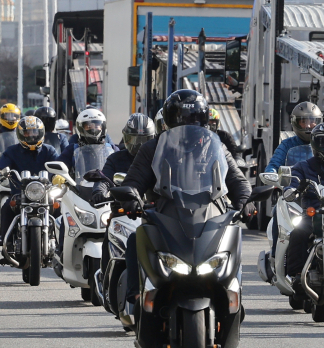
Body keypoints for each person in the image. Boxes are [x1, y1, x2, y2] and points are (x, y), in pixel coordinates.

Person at [120, 89, 254, 306]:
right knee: (136, 237)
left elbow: (238, 181)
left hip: (210, 216)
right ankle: (136, 296)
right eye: (183, 120)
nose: (189, 125)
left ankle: (233, 296)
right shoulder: (152, 149)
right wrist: (131, 199)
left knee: (234, 236)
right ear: (170, 121)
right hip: (164, 216)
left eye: (195, 119)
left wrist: (246, 201)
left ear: (204, 121)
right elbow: (132, 182)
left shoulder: (216, 147)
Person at [88, 114, 156, 284]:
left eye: (143, 140)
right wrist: (99, 191)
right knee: (109, 237)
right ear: (125, 137)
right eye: (133, 139)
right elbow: (104, 179)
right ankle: (106, 279)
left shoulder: (159, 158)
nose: (138, 145)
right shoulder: (116, 158)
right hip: (122, 212)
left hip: (154, 214)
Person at [0, 116, 59, 248]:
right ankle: (6, 241)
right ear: (21, 134)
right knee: (7, 207)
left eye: (35, 132)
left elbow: (58, 166)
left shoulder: (49, 151)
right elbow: (1, 167)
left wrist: (61, 176)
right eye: (27, 133)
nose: (31, 136)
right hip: (20, 194)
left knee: (59, 208)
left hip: (46, 194)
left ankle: (61, 244)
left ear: (41, 133)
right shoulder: (11, 151)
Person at [283, 123, 324, 280]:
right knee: (298, 232)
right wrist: (290, 189)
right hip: (313, 215)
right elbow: (292, 181)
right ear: (315, 144)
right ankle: (297, 274)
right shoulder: (304, 166)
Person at [266, 101, 322, 173]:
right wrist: (271, 174)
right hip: (294, 183)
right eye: (303, 122)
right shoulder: (287, 145)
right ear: (295, 123)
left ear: (318, 122)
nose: (308, 126)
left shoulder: (322, 143)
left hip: (319, 183)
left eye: (311, 121)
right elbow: (274, 165)